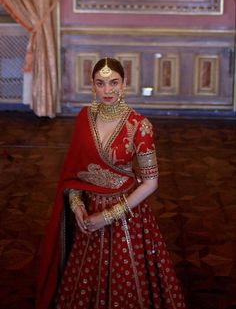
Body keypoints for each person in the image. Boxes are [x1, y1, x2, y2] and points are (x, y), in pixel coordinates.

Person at [36, 57, 187, 309]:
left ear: (124, 83)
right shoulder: (84, 117)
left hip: (125, 214)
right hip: (88, 212)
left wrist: (107, 217)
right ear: (92, 86)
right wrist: (76, 206)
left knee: (126, 278)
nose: (108, 90)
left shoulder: (140, 126)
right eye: (101, 83)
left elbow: (151, 183)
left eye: (114, 82)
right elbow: (74, 172)